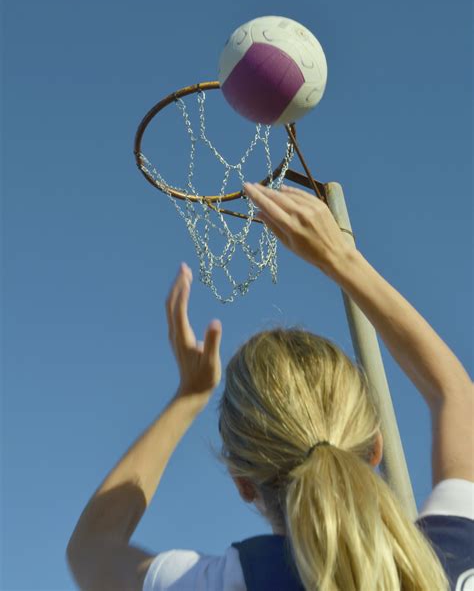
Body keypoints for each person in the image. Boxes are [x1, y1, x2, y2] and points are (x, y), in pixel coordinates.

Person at [66, 183, 473, 591]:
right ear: (376, 447)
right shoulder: (453, 555)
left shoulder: (229, 582)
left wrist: (188, 397)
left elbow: (91, 549)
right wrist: (342, 259)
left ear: (243, 484)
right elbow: (453, 393)